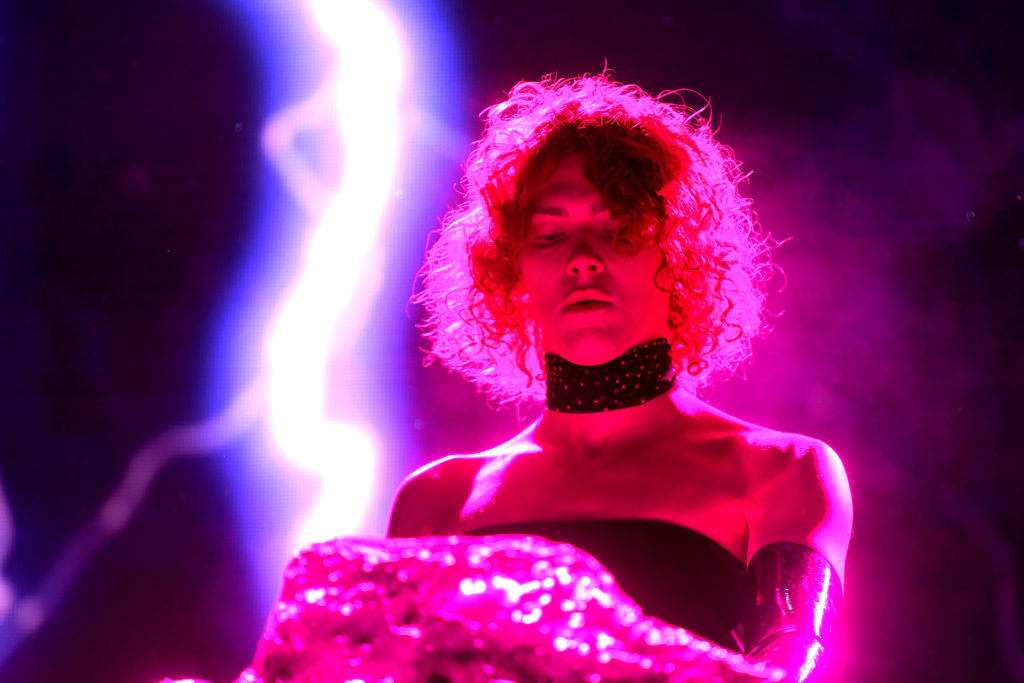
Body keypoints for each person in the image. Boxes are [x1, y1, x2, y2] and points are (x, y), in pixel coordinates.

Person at [388, 73, 852, 682]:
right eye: (550, 234)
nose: (582, 257)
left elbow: (793, 666)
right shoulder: (436, 500)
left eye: (616, 229)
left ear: (681, 254)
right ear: (510, 267)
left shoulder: (779, 469)